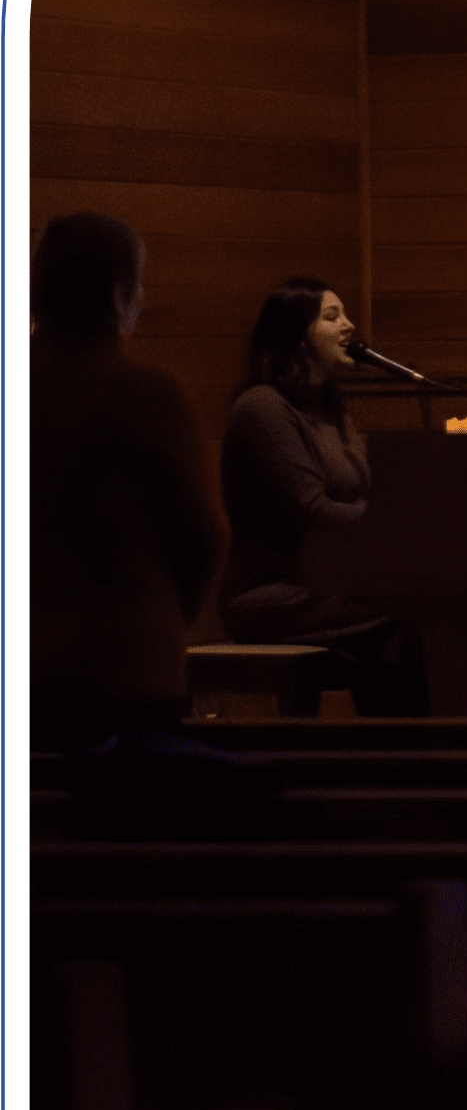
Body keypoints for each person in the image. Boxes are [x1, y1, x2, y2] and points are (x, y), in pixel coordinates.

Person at [30, 212, 225, 749]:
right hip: (126, 671)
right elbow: (204, 533)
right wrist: (162, 621)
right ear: (119, 294)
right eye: (136, 285)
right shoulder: (148, 395)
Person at [219, 277, 427, 714]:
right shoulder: (262, 407)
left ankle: (406, 747)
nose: (349, 325)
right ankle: (407, 747)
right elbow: (311, 510)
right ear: (297, 336)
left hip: (329, 586)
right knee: (414, 616)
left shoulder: (331, 409)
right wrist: (393, 525)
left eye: (346, 314)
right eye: (332, 316)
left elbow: (364, 494)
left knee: (429, 613)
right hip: (274, 596)